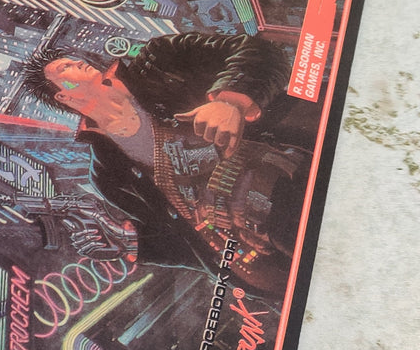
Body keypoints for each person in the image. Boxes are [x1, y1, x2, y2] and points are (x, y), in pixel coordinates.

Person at [21, 33, 315, 292]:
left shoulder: (160, 59)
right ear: (63, 95)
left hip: (302, 171)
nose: (77, 62)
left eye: (71, 59)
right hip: (269, 242)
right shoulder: (106, 173)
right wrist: (133, 243)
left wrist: (231, 102)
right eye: (64, 68)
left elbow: (262, 52)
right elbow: (183, 241)